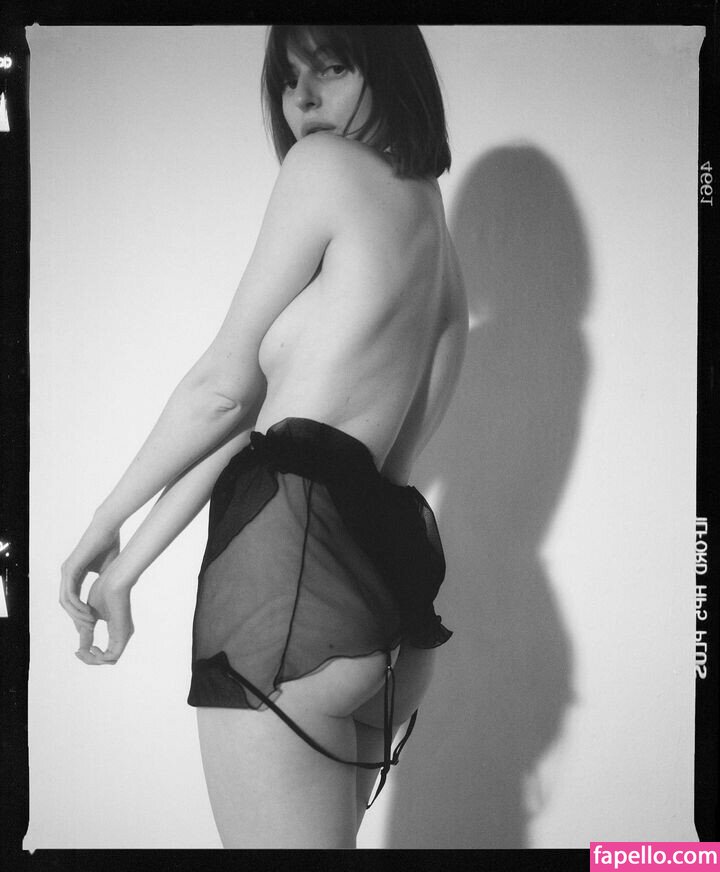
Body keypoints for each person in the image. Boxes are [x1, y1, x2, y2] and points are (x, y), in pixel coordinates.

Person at [59, 25, 468, 849]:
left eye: (333, 68)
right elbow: (270, 428)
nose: (302, 99)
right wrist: (127, 566)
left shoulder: (321, 169)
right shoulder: (434, 233)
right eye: (287, 78)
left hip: (291, 607)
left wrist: (102, 522)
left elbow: (223, 390)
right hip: (387, 612)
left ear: (392, 71)